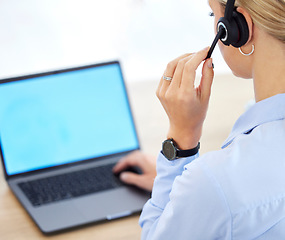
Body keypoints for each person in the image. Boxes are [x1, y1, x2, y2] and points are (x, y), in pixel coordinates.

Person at [113, 0, 285, 238]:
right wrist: (184, 194)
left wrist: (181, 140)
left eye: (212, 14)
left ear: (239, 27)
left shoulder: (216, 184)